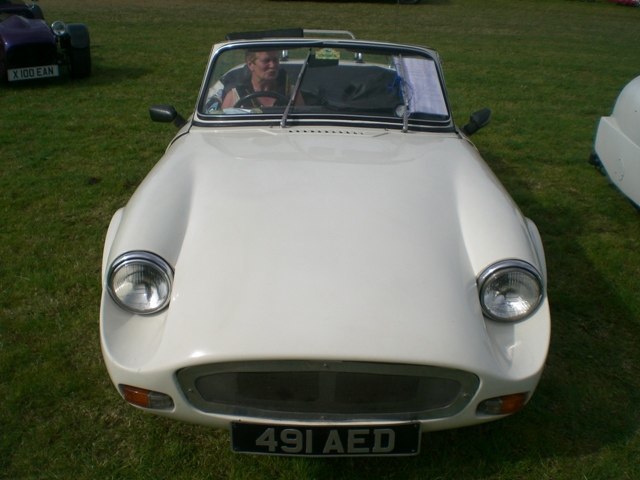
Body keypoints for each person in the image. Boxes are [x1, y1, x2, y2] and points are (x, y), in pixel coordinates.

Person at [221, 50, 303, 109]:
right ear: (250, 64)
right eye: (266, 61)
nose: (272, 65)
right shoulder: (235, 96)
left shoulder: (292, 93)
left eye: (275, 60)